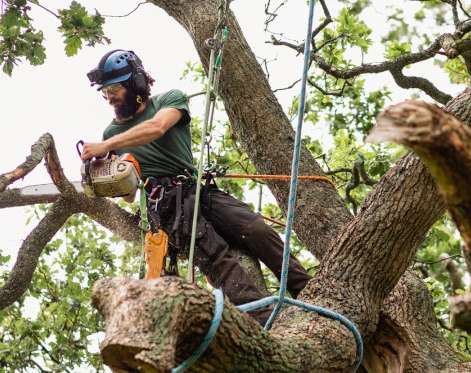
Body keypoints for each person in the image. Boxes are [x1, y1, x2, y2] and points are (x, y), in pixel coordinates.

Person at [80, 49, 312, 325]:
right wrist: (107, 176)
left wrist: (107, 146)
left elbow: (157, 128)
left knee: (255, 228)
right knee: (216, 256)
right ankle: (265, 321)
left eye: (115, 88)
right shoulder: (112, 133)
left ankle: (308, 291)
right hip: (164, 203)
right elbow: (130, 196)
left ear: (136, 83)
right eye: (105, 91)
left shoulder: (169, 100)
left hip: (195, 189)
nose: (109, 97)